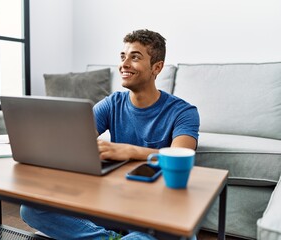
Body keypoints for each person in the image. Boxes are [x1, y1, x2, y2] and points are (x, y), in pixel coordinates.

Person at [20, 29, 200, 239]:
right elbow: (76, 141)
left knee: (175, 235)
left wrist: (128, 150)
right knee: (31, 209)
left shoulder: (184, 112)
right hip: (114, 203)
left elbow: (182, 155)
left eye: (135, 57)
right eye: (123, 57)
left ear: (156, 67)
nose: (124, 64)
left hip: (158, 210)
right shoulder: (112, 104)